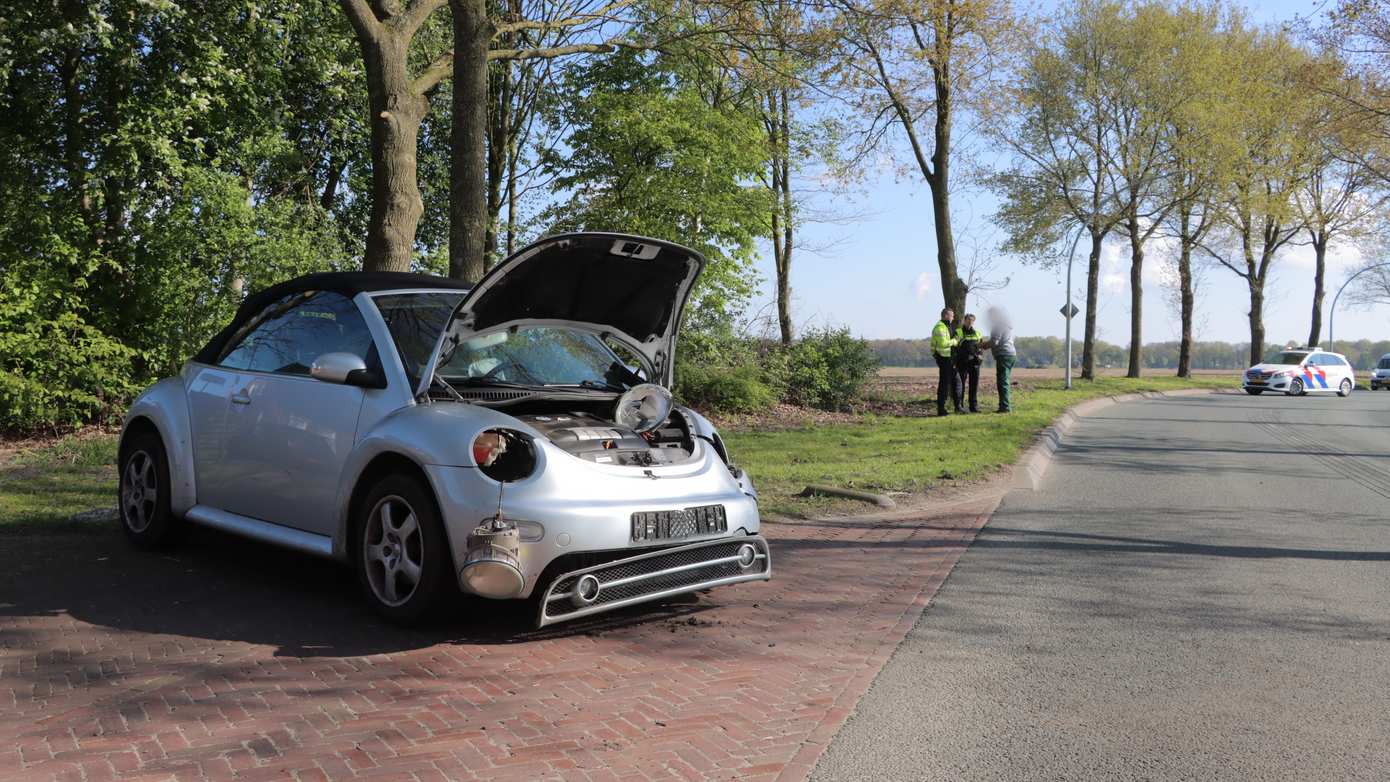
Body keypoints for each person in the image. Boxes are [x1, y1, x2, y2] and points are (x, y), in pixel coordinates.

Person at [984, 307, 1016, 413]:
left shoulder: (997, 326)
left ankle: (1005, 407)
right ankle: (1005, 405)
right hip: (1010, 354)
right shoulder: (1005, 325)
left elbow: (994, 342)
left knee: (1002, 382)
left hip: (1004, 355)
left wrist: (982, 345)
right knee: (1004, 380)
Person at [931, 307, 962, 416]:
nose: (953, 318)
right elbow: (944, 343)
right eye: (951, 315)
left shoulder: (947, 326)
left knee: (957, 382)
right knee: (944, 384)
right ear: (946, 316)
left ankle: (958, 407)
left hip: (949, 359)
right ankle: (941, 409)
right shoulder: (940, 328)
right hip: (944, 359)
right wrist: (955, 341)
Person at [954, 313, 984, 413]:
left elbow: (981, 347)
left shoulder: (978, 333)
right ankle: (960, 407)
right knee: (961, 385)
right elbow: (954, 347)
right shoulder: (958, 332)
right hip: (962, 362)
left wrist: (980, 355)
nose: (970, 322)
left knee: (974, 385)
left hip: (975, 362)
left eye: (972, 320)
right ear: (964, 320)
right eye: (968, 320)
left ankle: (973, 407)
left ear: (974, 322)